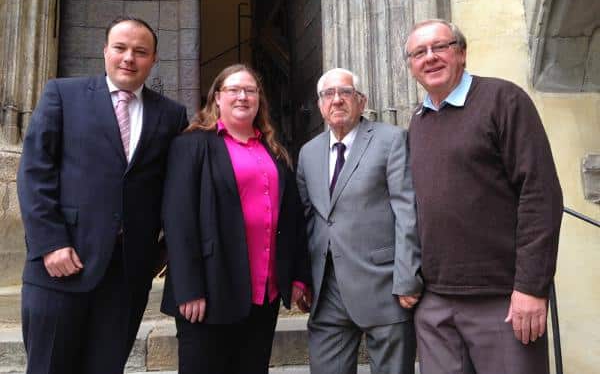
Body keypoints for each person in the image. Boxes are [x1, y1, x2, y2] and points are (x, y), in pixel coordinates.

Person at [17, 16, 188, 374]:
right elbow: (35, 171)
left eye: (140, 51)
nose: (129, 58)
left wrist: (159, 251)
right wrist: (50, 243)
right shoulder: (62, 94)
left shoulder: (171, 115)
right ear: (104, 51)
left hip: (126, 276)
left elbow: (176, 187)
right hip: (61, 265)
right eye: (121, 48)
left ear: (154, 59)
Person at [405, 18, 563, 374]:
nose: (430, 57)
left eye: (440, 47)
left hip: (503, 301)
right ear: (412, 66)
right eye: (419, 52)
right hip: (436, 305)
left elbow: (540, 194)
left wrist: (531, 287)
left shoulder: (503, 100)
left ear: (461, 52)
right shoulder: (419, 121)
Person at [160, 63, 311, 374]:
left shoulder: (274, 150)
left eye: (250, 90)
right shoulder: (192, 144)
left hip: (263, 290)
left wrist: (297, 274)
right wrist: (189, 287)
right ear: (217, 97)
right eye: (233, 90)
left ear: (259, 99)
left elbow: (293, 218)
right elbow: (178, 219)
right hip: (211, 289)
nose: (242, 96)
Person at [296, 68, 422, 374]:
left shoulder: (391, 140)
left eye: (346, 93)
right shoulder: (308, 152)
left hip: (385, 287)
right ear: (320, 104)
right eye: (328, 94)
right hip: (326, 292)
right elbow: (307, 220)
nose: (337, 100)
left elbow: (407, 212)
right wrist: (302, 278)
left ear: (361, 101)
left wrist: (408, 278)